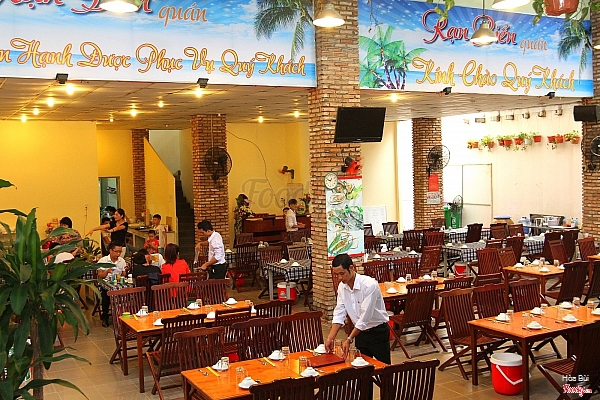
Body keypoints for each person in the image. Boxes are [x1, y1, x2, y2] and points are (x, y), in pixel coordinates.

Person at [326, 253, 391, 364]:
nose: (340, 278)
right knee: (362, 369)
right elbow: (339, 313)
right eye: (336, 275)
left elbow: (365, 318)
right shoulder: (342, 287)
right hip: (360, 334)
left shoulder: (369, 285)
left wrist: (349, 339)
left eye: (342, 273)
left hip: (377, 332)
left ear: (351, 268)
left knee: (384, 368)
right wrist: (330, 338)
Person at [97, 243, 127, 327]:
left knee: (127, 291)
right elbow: (100, 276)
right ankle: (105, 317)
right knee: (106, 295)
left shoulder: (121, 261)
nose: (118, 254)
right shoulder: (103, 260)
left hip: (118, 284)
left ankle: (123, 315)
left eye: (120, 252)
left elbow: (124, 274)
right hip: (105, 284)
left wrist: (125, 272)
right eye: (116, 251)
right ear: (110, 250)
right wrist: (106, 271)